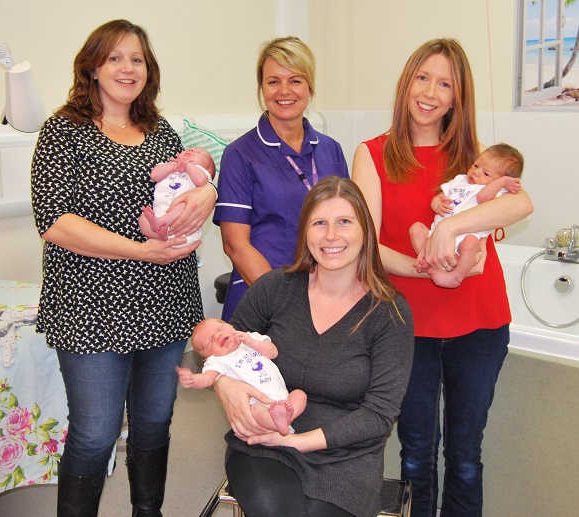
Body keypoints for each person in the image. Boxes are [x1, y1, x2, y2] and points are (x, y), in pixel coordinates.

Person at [30, 19, 216, 517]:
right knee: (95, 433)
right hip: (90, 307)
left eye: (136, 59)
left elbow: (191, 184)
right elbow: (55, 221)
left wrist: (208, 192)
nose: (126, 68)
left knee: (155, 422)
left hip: (165, 303)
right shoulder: (63, 131)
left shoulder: (160, 132)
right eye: (114, 57)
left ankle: (147, 512)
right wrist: (139, 251)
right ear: (92, 66)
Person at [352, 38, 533, 517]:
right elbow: (366, 244)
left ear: (457, 98)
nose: (431, 92)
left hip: (480, 323)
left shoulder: (474, 157)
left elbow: (521, 203)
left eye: (445, 84)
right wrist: (427, 269)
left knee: (466, 457)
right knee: (415, 455)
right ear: (407, 82)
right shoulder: (372, 154)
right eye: (423, 77)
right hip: (408, 328)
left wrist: (451, 226)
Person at [213, 176, 414, 517]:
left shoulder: (389, 312)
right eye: (319, 223)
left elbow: (379, 414)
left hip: (346, 453)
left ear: (365, 230)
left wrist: (298, 441)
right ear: (305, 232)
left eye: (344, 222)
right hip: (265, 442)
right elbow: (223, 347)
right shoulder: (274, 288)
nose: (331, 236)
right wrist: (224, 384)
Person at [213, 36, 349, 322]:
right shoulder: (240, 154)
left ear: (310, 87)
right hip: (264, 299)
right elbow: (236, 245)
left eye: (295, 80)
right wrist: (285, 305)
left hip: (326, 299)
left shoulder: (331, 149)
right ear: (262, 88)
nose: (284, 91)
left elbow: (349, 227)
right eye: (273, 81)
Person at [410, 143, 524, 288]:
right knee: (416, 229)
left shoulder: (495, 191)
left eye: (486, 174)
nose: (476, 172)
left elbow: (483, 198)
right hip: (437, 234)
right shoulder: (459, 180)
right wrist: (438, 204)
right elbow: (438, 197)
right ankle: (427, 256)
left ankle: (456, 277)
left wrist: (501, 183)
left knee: (471, 244)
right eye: (476, 165)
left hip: (465, 236)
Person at [176, 318, 307, 436]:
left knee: (300, 395)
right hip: (257, 403)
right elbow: (207, 379)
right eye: (210, 341)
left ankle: (287, 417)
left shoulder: (250, 338)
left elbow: (273, 352)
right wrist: (194, 380)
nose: (217, 336)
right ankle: (278, 424)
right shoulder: (217, 361)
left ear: (231, 326)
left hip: (283, 397)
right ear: (207, 356)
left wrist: (253, 343)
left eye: (219, 329)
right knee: (257, 413)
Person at [139, 146, 216, 246]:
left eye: (199, 153)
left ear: (209, 170)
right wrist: (172, 166)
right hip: (159, 216)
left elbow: (201, 181)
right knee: (142, 219)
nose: (191, 150)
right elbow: (154, 176)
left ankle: (162, 222)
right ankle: (161, 235)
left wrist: (187, 166)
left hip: (182, 226)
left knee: (185, 204)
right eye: (189, 149)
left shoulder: (201, 172)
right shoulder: (168, 165)